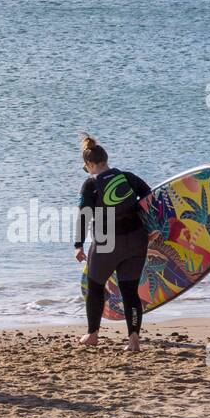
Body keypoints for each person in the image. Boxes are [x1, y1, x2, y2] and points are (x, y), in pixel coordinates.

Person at [74, 134, 157, 352]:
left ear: (90, 164)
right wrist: (152, 224)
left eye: (87, 167)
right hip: (136, 239)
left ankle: (92, 335)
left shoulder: (91, 184)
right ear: (106, 160)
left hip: (106, 243)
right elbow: (148, 195)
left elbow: (83, 215)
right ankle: (133, 341)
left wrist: (78, 245)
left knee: (95, 288)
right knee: (130, 292)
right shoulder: (126, 177)